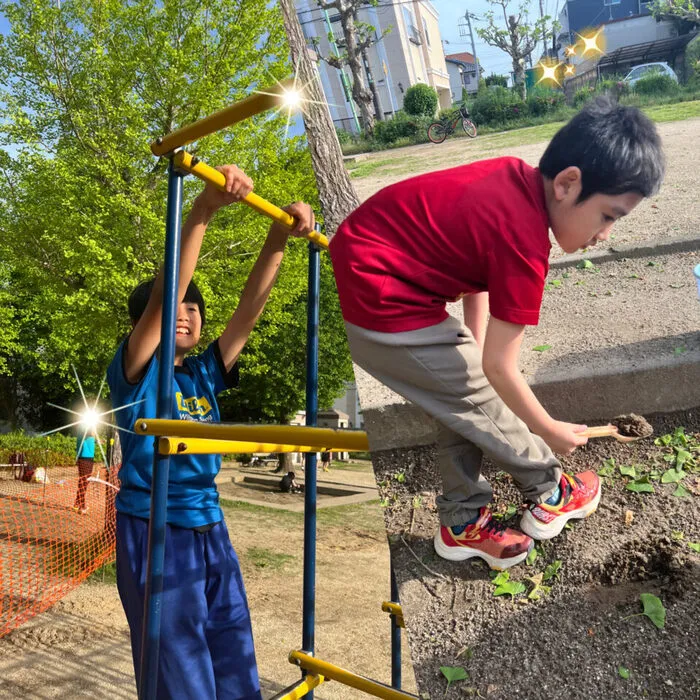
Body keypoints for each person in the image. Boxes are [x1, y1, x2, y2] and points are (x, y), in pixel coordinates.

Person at [329, 97, 664, 571]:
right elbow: (499, 368)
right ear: (568, 184)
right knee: (477, 395)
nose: (605, 234)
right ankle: (551, 491)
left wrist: (473, 354)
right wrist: (549, 430)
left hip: (376, 279)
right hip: (384, 302)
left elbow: (471, 269)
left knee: (461, 400)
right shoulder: (525, 242)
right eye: (609, 215)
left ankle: (461, 523)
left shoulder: (513, 181)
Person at [107, 164, 315, 700]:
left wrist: (278, 237)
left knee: (232, 652)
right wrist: (201, 210)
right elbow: (166, 291)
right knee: (180, 670)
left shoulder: (202, 373)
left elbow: (251, 310)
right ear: (145, 323)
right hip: (155, 526)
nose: (187, 312)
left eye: (195, 307)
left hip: (209, 523)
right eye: (177, 304)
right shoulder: (135, 371)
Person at [73, 430, 95, 514]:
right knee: (84, 481)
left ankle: (77, 502)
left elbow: (93, 437)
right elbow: (91, 433)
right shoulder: (85, 425)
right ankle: (82, 505)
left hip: (89, 456)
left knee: (85, 481)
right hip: (84, 456)